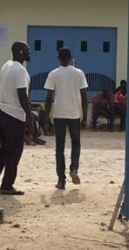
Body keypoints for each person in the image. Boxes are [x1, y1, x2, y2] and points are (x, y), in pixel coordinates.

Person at [0, 41, 34, 195]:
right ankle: (7, 185)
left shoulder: (7, 65)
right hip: (14, 114)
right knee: (14, 151)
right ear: (20, 52)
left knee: (4, 149)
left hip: (2, 111)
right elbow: (22, 95)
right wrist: (29, 116)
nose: (29, 52)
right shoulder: (20, 70)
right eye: (27, 50)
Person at [44, 47, 88, 190]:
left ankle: (61, 180)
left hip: (59, 113)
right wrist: (85, 116)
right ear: (71, 58)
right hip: (75, 113)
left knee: (59, 148)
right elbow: (84, 96)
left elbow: (49, 97)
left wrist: (46, 118)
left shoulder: (53, 74)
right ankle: (74, 168)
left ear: (59, 58)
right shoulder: (79, 73)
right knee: (76, 143)